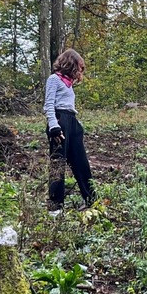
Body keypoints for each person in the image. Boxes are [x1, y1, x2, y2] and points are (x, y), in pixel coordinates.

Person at [44, 48, 96, 213]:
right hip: (59, 123)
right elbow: (49, 104)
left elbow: (69, 106)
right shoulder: (54, 79)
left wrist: (76, 124)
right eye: (79, 68)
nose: (80, 72)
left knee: (81, 163)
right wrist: (54, 126)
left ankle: (92, 200)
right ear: (69, 64)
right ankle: (55, 207)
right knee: (58, 164)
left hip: (72, 122)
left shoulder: (68, 84)